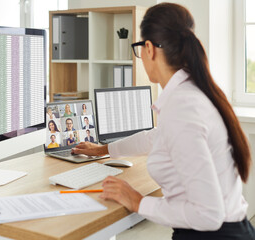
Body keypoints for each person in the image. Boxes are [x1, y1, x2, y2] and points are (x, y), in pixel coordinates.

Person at [72, 3, 254, 240]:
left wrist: (138, 202)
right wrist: (103, 150)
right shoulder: (190, 93)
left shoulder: (182, 107)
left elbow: (209, 215)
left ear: (149, 48)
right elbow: (156, 137)